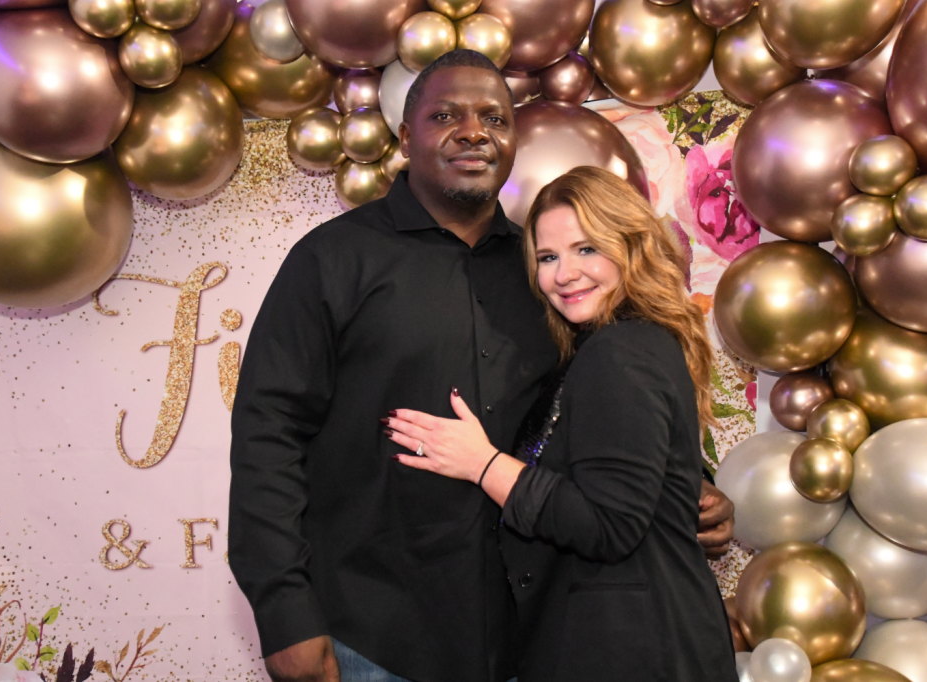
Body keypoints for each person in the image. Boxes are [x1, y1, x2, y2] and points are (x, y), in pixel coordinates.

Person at [229, 50, 735, 682]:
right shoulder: (332, 261)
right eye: (446, 115)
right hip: (370, 630)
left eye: (494, 118)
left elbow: (604, 405)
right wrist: (285, 615)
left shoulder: (546, 275)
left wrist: (687, 484)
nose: (474, 131)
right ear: (406, 135)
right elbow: (266, 437)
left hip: (524, 635)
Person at [384, 166, 738, 681]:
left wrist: (483, 465)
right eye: (548, 257)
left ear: (631, 247)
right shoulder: (617, 346)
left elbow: (608, 525)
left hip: (634, 653)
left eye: (586, 249)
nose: (564, 274)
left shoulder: (619, 353)